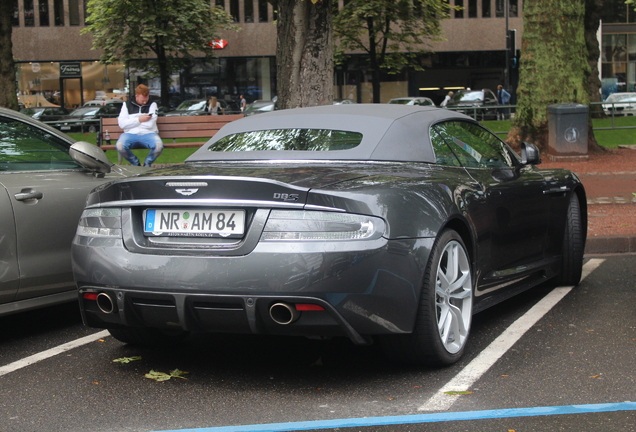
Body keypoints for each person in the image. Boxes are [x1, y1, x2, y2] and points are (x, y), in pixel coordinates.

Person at [116, 84, 163, 166]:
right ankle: (135, 163)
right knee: (120, 146)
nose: (144, 102)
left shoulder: (152, 105)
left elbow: (150, 125)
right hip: (129, 134)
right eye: (142, 100)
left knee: (158, 146)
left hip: (148, 133)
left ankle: (147, 163)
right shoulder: (126, 105)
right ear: (136, 96)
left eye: (146, 99)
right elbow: (122, 124)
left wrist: (130, 122)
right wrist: (139, 119)